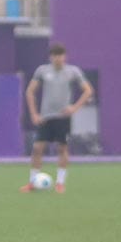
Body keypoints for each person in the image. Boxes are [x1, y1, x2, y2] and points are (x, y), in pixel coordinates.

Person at [20, 43, 93, 194]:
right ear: (50, 57)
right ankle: (32, 182)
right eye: (55, 56)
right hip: (45, 117)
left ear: (65, 57)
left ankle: (60, 183)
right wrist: (34, 114)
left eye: (60, 55)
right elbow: (30, 92)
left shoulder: (73, 71)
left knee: (62, 148)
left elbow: (88, 90)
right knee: (37, 148)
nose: (58, 59)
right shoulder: (42, 71)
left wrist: (74, 107)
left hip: (63, 117)